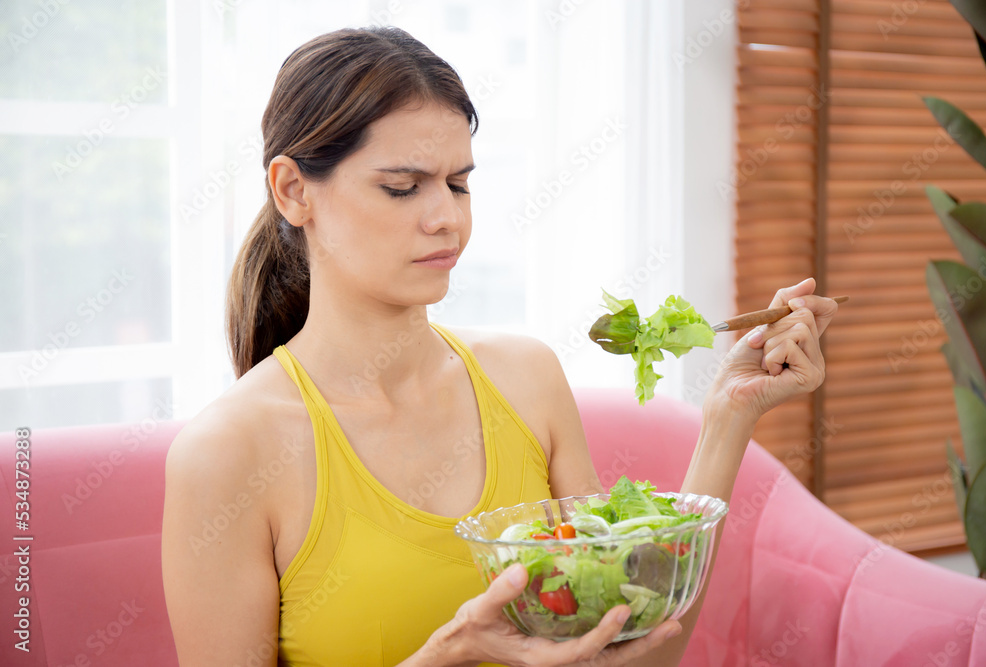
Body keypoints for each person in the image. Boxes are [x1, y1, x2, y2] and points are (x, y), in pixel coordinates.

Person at [161, 26, 838, 667]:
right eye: (403, 187)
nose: (447, 217)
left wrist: (728, 415)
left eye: (459, 182)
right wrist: (450, 650)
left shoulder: (526, 378)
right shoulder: (228, 453)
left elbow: (632, 648)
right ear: (292, 189)